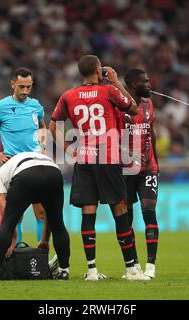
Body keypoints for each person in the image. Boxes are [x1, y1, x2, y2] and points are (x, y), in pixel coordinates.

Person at [49, 54, 150, 281]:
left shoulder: (68, 95)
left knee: (88, 213)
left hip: (84, 160)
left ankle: (92, 271)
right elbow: (134, 109)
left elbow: (52, 128)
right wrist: (115, 80)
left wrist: (70, 151)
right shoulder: (108, 90)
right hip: (107, 158)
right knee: (120, 211)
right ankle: (131, 269)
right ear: (98, 70)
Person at [0, 67, 46, 245]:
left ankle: (42, 255)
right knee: (16, 214)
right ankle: (17, 252)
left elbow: (42, 126)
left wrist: (43, 146)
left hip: (36, 162)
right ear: (13, 84)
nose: (26, 91)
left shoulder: (35, 105)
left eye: (29, 86)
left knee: (41, 211)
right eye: (22, 86)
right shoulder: (1, 107)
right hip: (14, 165)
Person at [0, 152, 71, 281]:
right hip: (54, 172)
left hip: (26, 175)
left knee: (8, 222)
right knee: (58, 224)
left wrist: (13, 239)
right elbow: (48, 214)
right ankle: (64, 271)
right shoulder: (25, 160)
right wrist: (45, 240)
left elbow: (5, 210)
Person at [116, 69, 160, 279]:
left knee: (149, 211)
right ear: (134, 84)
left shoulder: (148, 104)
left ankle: (151, 266)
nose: (149, 84)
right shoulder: (119, 107)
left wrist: (156, 163)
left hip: (148, 169)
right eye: (145, 81)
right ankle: (133, 266)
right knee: (127, 218)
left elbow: (151, 132)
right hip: (125, 170)